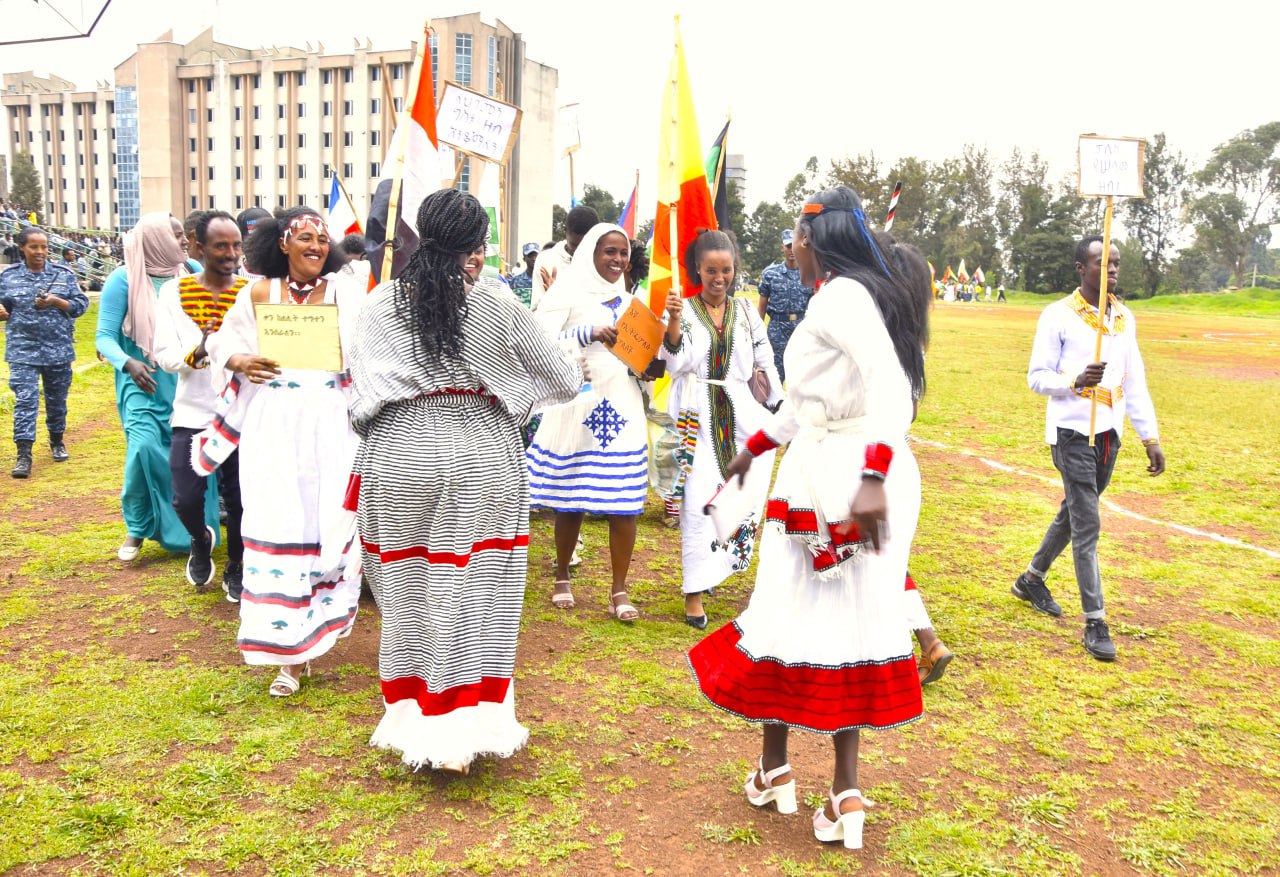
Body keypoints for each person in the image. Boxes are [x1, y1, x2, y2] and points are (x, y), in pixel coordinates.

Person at [689, 186, 928, 851]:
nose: (789, 248)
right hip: (838, 471)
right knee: (836, 617)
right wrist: (755, 447)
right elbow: (805, 405)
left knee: (790, 612)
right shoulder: (848, 295)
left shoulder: (842, 297)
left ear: (810, 238)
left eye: (794, 236)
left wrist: (872, 478)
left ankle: (788, 770)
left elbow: (890, 392)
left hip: (839, 479)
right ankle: (830, 785)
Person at [348, 189, 580, 773]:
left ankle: (415, 721)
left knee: (406, 591)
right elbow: (561, 380)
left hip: (397, 454)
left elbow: (361, 389)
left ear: (421, 235)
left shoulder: (376, 305)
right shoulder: (495, 304)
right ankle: (458, 732)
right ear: (476, 246)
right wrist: (508, 382)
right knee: (474, 591)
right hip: (478, 456)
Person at [198, 207, 367, 697]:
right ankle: (287, 657)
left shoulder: (344, 293)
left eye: (322, 239)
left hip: (331, 423)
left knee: (327, 524)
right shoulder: (258, 293)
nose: (316, 246)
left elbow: (370, 349)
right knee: (278, 522)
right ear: (282, 243)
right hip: (274, 424)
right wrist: (240, 359)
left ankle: (314, 637)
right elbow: (221, 344)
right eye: (305, 237)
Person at [1015, 235, 1164, 661]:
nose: (1112, 269)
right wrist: (1075, 381)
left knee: (1076, 513)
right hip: (1071, 433)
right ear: (1082, 269)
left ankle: (1031, 579)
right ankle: (1095, 621)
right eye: (1103, 262)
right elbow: (1037, 377)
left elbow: (1134, 381)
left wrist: (1150, 437)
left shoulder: (1124, 318)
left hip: (1109, 435)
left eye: (1116, 262)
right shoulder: (1057, 315)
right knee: (1088, 525)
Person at [659, 230, 781, 628]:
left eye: (726, 270)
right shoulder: (682, 308)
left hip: (742, 415)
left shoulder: (745, 311)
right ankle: (694, 592)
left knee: (738, 495)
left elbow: (764, 360)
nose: (719, 278)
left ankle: (714, 567)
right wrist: (673, 321)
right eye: (711, 270)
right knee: (698, 500)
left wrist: (779, 407)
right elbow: (674, 362)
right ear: (698, 269)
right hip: (696, 416)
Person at [527, 223, 649, 621]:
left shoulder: (632, 301)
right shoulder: (566, 292)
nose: (618, 259)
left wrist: (649, 368)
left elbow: (642, 355)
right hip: (579, 403)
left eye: (623, 253)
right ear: (591, 253)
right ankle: (562, 575)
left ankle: (619, 589)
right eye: (609, 251)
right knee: (571, 499)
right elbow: (539, 341)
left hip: (623, 405)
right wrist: (586, 332)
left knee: (625, 503)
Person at [96, 214, 199, 559]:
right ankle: (137, 527)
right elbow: (104, 337)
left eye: (184, 235)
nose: (185, 241)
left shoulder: (192, 272)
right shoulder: (124, 279)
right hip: (141, 381)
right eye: (177, 235)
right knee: (143, 449)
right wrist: (128, 362)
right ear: (156, 239)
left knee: (186, 455)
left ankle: (192, 527)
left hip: (184, 378)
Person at [153, 210, 244, 593]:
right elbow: (163, 354)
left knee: (240, 501)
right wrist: (200, 351)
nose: (231, 253)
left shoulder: (252, 292)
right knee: (185, 499)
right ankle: (199, 538)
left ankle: (237, 564)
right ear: (198, 246)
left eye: (236, 245)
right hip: (192, 412)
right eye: (221, 245)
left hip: (240, 413)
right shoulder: (173, 293)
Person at [0, 227, 88, 478]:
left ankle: (57, 440)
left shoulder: (63, 275)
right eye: (34, 247)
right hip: (22, 350)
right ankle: (23, 454)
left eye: (44, 247)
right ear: (22, 248)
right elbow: (4, 305)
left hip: (58, 349)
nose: (40, 251)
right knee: (25, 401)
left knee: (56, 401)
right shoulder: (8, 276)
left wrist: (55, 301)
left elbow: (80, 305)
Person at [756, 229, 810, 382]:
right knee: (775, 376)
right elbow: (762, 307)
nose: (791, 250)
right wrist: (757, 333)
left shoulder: (808, 273)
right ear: (782, 248)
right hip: (777, 329)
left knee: (800, 375)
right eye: (788, 246)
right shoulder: (770, 274)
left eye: (794, 246)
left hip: (800, 328)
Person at [530, 206, 598, 311]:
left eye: (585, 245)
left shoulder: (602, 261)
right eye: (574, 245)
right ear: (565, 231)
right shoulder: (546, 260)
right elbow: (536, 310)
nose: (579, 251)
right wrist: (552, 298)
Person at [507, 242, 539, 307]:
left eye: (536, 255)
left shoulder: (545, 280)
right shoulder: (515, 281)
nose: (534, 259)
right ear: (524, 259)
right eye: (530, 256)